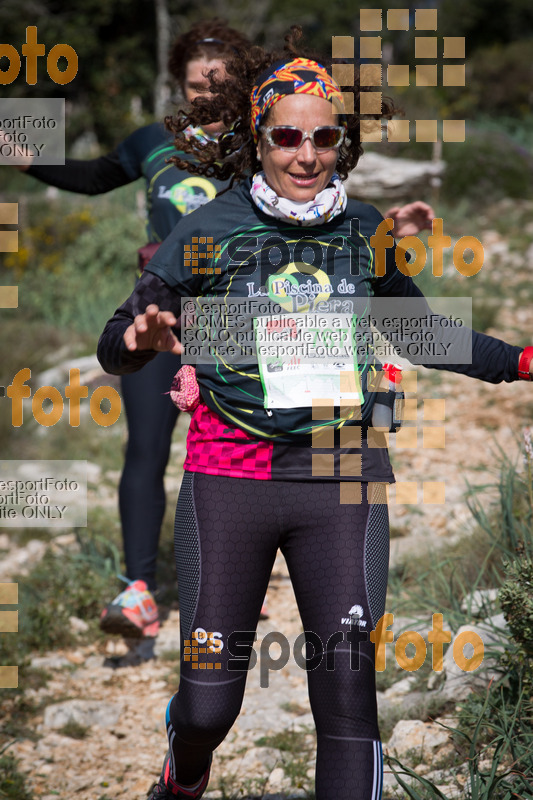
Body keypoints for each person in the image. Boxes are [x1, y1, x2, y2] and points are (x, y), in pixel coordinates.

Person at [97, 28, 531, 799]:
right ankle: (185, 764)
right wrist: (138, 340)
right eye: (287, 136)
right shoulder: (209, 230)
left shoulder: (363, 230)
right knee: (206, 706)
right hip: (228, 475)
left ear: (343, 142)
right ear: (257, 139)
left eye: (323, 136)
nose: (306, 153)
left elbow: (417, 330)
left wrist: (520, 362)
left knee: (346, 696)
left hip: (343, 473)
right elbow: (117, 338)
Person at [8, 20, 254, 637]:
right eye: (195, 82)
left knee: (242, 452)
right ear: (179, 84)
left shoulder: (258, 144)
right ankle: (138, 589)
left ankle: (238, 581)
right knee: (144, 450)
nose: (206, 92)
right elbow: (93, 177)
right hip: (158, 314)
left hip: (236, 316)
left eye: (218, 81)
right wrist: (27, 159)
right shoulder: (152, 141)